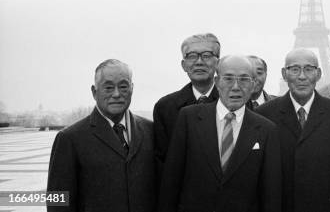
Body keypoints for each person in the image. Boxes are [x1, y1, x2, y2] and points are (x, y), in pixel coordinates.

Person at [158, 55, 281, 212]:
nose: (236, 86)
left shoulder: (267, 129)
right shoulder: (188, 118)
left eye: (243, 79)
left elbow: (271, 192)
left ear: (252, 85)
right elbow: (171, 180)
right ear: (217, 82)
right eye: (228, 78)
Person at [256, 48, 330, 212]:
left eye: (309, 69)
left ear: (318, 74)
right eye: (295, 69)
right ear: (284, 74)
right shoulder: (264, 115)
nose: (302, 76)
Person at [47, 59, 156, 212]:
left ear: (132, 89)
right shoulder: (70, 138)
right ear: (94, 91)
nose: (117, 94)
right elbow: (58, 201)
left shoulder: (151, 130)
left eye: (123, 87)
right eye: (108, 87)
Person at [153, 33, 220, 168]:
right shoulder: (165, 107)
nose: (199, 62)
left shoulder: (232, 103)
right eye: (192, 56)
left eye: (206, 55)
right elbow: (162, 162)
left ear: (218, 63)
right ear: (184, 65)